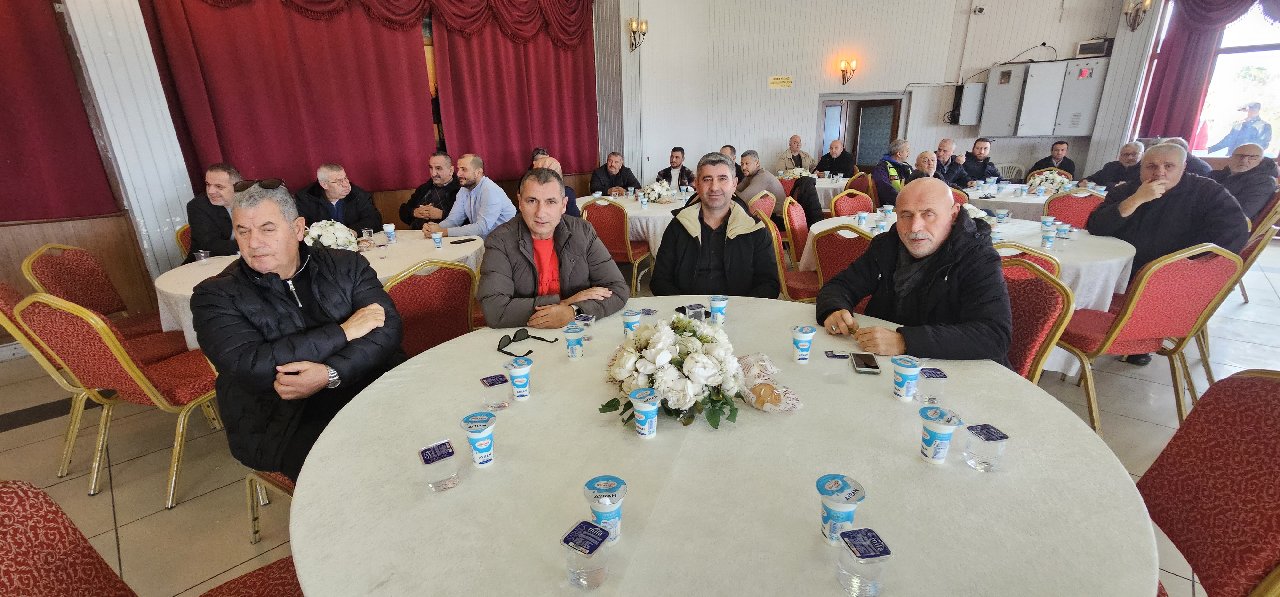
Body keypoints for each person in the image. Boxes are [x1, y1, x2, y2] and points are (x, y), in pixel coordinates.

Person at [191, 180, 404, 481]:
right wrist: (344, 332)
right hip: (282, 418)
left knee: (430, 434)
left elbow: (387, 327)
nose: (253, 243)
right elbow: (250, 365)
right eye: (243, 231)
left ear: (298, 228)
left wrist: (330, 373)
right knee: (354, 476)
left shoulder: (346, 264)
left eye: (267, 229)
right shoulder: (215, 295)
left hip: (367, 381)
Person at [815, 178, 1011, 364]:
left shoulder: (977, 257)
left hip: (957, 373)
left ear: (953, 215)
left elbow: (994, 335)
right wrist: (834, 309)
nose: (915, 227)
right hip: (887, 365)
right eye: (906, 215)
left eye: (928, 214)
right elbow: (841, 286)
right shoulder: (887, 246)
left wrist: (905, 341)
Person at [1086, 143, 1249, 366]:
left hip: (1175, 278)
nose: (1159, 173)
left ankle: (1139, 338)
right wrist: (1136, 200)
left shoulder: (1207, 192)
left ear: (1183, 167)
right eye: (1151, 166)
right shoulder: (1126, 191)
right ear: (1141, 168)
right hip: (1121, 269)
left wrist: (1186, 266)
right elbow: (1096, 227)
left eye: (1168, 166)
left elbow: (1233, 232)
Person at [477, 168, 628, 329]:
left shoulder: (583, 232)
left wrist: (574, 311)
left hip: (577, 332)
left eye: (551, 202)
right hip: (523, 334)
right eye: (532, 201)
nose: (540, 213)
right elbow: (495, 310)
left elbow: (618, 289)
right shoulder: (500, 240)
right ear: (520, 202)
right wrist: (565, 303)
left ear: (563, 205)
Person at [651, 152, 779, 298]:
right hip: (686, 309)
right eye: (707, 179)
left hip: (740, 309)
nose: (714, 187)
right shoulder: (679, 225)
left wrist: (741, 308)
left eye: (722, 179)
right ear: (697, 184)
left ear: (734, 184)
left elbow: (769, 284)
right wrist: (685, 308)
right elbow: (660, 280)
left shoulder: (754, 229)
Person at [424, 154, 516, 239]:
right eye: (458, 169)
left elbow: (481, 228)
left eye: (464, 169)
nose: (458, 174)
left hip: (506, 242)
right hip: (485, 240)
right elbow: (454, 220)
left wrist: (443, 232)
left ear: (478, 172)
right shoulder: (464, 190)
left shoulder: (490, 190)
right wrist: (434, 227)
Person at [295, 163, 382, 233]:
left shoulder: (357, 194)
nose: (346, 184)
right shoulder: (305, 198)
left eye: (345, 178)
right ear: (324, 185)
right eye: (339, 181)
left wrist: (352, 232)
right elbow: (303, 228)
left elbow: (374, 220)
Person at [184, 163, 242, 263]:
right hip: (205, 264)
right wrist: (250, 245)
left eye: (219, 186)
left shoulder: (250, 201)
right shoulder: (198, 206)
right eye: (208, 184)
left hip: (243, 259)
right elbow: (210, 246)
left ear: (236, 186)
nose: (210, 191)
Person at [1208, 143, 1279, 224]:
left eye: (1252, 157)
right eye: (1239, 156)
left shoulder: (1263, 183)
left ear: (1261, 160)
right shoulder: (1219, 175)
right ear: (1230, 158)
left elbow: (1240, 214)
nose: (1244, 160)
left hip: (1227, 226)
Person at [399, 152, 461, 229]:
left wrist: (441, 214)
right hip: (417, 233)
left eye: (438, 168)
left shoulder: (461, 190)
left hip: (444, 234)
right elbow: (403, 211)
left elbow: (467, 221)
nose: (433, 174)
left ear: (451, 170)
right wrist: (414, 212)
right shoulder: (423, 188)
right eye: (431, 168)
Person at [1207, 102, 1272, 156]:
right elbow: (1227, 140)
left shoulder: (1264, 126)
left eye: (1245, 110)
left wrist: (1247, 156)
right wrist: (1210, 149)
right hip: (1232, 157)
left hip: (1249, 160)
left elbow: (1263, 144)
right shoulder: (1238, 125)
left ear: (1255, 110)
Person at [871, 139, 915, 206]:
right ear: (899, 154)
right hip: (890, 206)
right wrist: (903, 201)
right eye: (907, 151)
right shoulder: (882, 167)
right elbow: (884, 189)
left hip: (908, 203)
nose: (908, 153)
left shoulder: (907, 166)